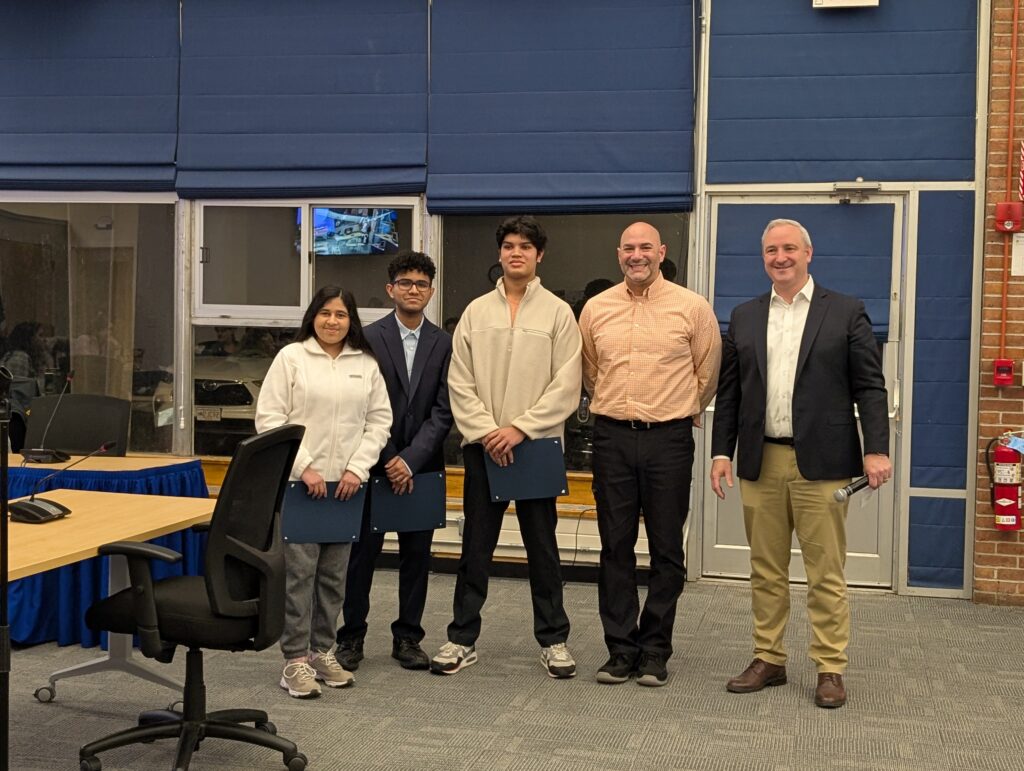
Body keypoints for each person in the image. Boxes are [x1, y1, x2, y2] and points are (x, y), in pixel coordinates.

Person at [710, 219, 891, 709]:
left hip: (824, 463)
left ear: (808, 253)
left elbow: (870, 386)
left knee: (825, 572)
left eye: (789, 248)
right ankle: (768, 657)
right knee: (765, 569)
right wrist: (722, 451)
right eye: (771, 250)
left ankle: (830, 666)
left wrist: (876, 448)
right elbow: (731, 392)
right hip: (761, 461)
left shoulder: (846, 311)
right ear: (763, 257)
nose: (780, 257)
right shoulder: (744, 316)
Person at [431, 215, 582, 679]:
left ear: (540, 255)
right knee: (475, 546)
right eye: (510, 245)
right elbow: (459, 381)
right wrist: (487, 432)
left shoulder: (558, 313)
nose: (517, 253)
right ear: (500, 253)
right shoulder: (476, 312)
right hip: (484, 447)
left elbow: (567, 384)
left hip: (535, 447)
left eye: (526, 247)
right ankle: (461, 638)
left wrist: (519, 429)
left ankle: (554, 640)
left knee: (543, 549)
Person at [579, 222, 721, 688]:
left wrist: (678, 408)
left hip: (669, 440)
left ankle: (655, 650)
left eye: (645, 247)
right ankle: (621, 650)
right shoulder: (596, 308)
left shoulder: (692, 307)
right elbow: (591, 372)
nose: (636, 255)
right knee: (614, 546)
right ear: (618, 253)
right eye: (628, 248)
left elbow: (707, 374)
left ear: (661, 252)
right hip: (613, 439)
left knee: (666, 548)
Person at [255, 286, 392, 698]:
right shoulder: (292, 358)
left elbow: (379, 422)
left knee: (334, 578)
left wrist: (357, 468)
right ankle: (294, 660)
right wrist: (304, 467)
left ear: (352, 321)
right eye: (326, 313)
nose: (333, 321)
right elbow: (270, 418)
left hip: (347, 488)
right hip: (301, 486)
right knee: (299, 576)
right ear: (313, 316)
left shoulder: (365, 364)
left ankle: (321, 652)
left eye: (341, 314)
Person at [335, 251, 453, 672]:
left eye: (421, 284)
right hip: (372, 464)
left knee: (416, 557)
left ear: (431, 292)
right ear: (391, 289)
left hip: (423, 467)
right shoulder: (367, 338)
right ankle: (351, 637)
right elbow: (360, 405)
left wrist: (411, 459)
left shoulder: (444, 342)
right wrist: (389, 459)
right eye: (405, 283)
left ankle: (408, 638)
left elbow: (444, 409)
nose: (413, 290)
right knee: (360, 557)